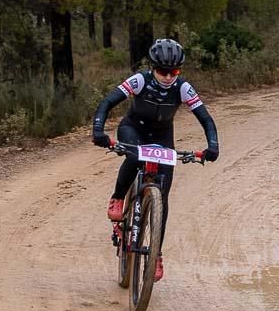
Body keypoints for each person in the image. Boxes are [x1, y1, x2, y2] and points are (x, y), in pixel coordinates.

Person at [91, 38, 220, 281]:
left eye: (174, 71)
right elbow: (107, 102)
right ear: (153, 68)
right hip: (133, 129)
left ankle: (156, 253)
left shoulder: (183, 88)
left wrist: (212, 145)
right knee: (133, 155)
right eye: (163, 71)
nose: (169, 77)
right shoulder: (140, 80)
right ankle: (118, 198)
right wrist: (98, 130)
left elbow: (206, 118)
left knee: (164, 194)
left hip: (162, 137)